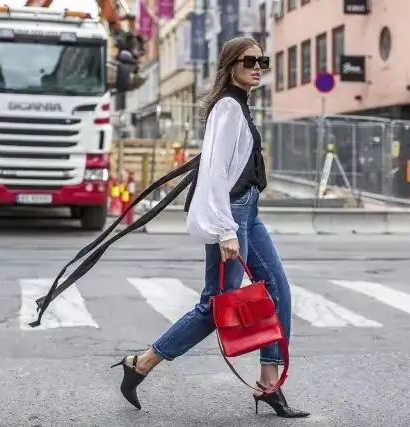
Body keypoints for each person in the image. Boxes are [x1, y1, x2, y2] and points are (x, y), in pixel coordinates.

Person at [111, 36, 310, 418]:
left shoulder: (241, 106)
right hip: (232, 214)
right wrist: (225, 230)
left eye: (261, 60)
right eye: (249, 60)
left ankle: (269, 382)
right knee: (215, 306)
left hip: (248, 212)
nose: (257, 66)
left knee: (278, 290)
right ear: (230, 65)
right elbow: (216, 173)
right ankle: (140, 364)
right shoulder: (228, 108)